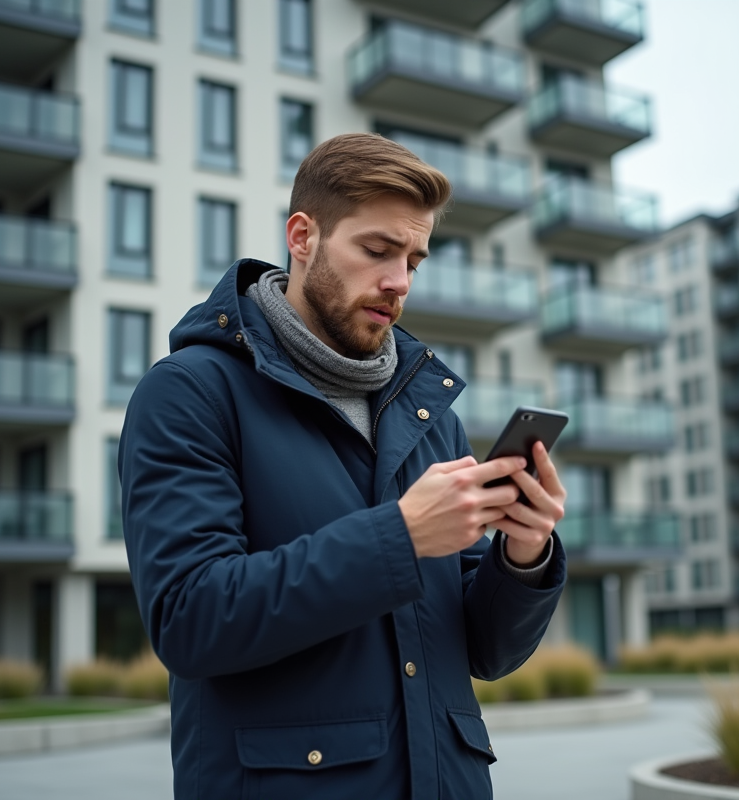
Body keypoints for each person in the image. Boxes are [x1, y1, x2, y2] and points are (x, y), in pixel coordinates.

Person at [119, 132, 567, 800]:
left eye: (414, 260)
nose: (399, 281)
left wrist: (523, 555)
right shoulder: (190, 393)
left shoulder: (430, 416)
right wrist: (402, 537)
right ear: (303, 237)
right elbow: (190, 620)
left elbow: (484, 650)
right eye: (377, 251)